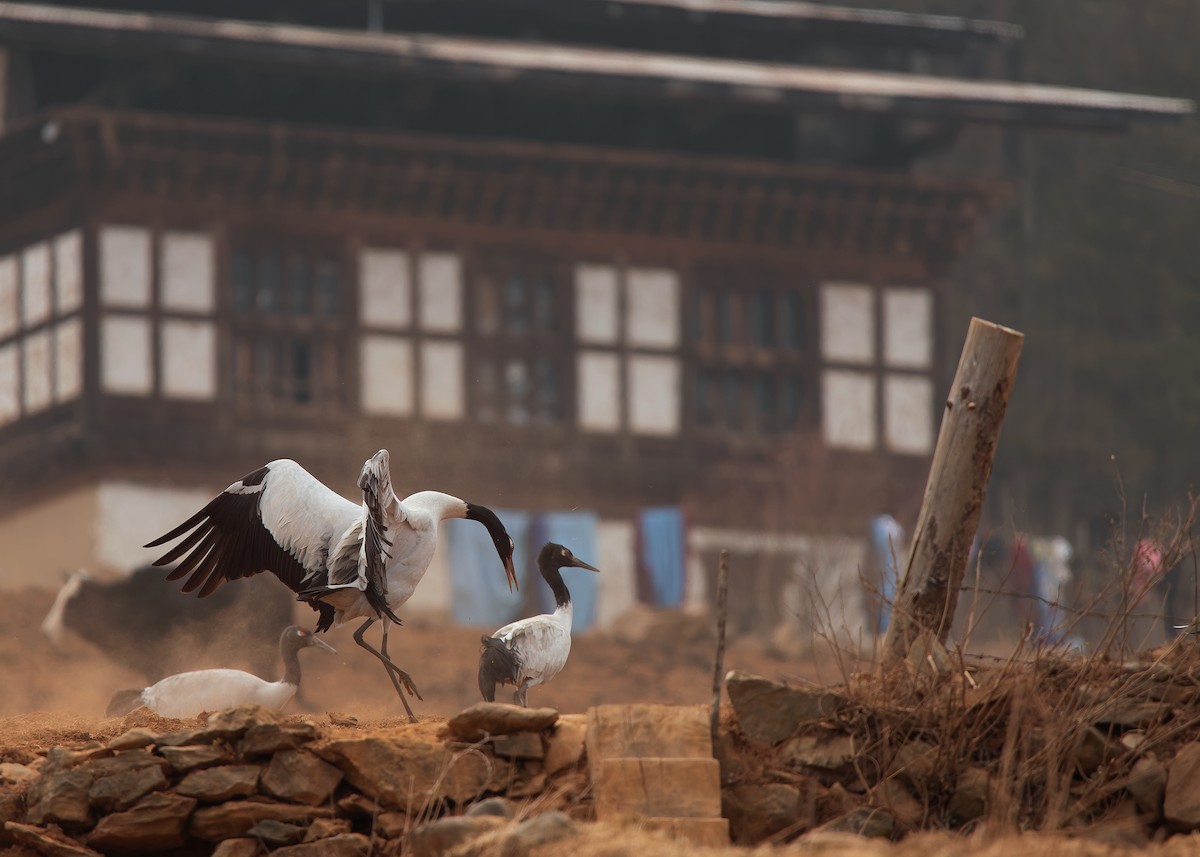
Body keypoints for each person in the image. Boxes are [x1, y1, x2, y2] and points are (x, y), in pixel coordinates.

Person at [868, 514, 905, 635]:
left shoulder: (878, 527)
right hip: (891, 574)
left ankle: (882, 632)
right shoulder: (896, 529)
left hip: (884, 576)